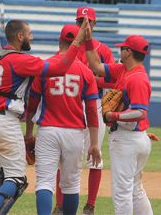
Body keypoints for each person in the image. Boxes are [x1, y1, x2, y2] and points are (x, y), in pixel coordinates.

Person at [0, 19, 88, 215]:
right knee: (16, 179)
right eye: (29, 33)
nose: (31, 37)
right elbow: (59, 69)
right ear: (20, 37)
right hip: (4, 121)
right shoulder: (22, 60)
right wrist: (77, 42)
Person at [24, 24, 101, 215]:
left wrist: (28, 132)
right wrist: (93, 142)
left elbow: (32, 104)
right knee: (71, 183)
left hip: (48, 130)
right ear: (80, 44)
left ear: (59, 41)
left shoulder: (46, 66)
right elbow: (92, 110)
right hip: (75, 133)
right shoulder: (86, 72)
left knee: (44, 181)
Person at [84, 25, 154, 215]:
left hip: (127, 139)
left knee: (122, 192)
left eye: (122, 48)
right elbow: (96, 66)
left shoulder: (137, 78)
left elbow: (140, 112)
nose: (119, 50)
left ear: (128, 52)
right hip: (135, 137)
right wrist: (88, 40)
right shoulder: (124, 70)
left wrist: (111, 115)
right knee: (135, 190)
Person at [53, 6, 116, 215]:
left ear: (95, 24)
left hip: (93, 103)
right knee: (64, 156)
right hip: (68, 103)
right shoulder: (68, 46)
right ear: (76, 22)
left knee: (94, 158)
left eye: (88, 21)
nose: (84, 25)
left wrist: (90, 78)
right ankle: (60, 205)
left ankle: (90, 205)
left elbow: (112, 80)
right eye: (81, 21)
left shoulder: (103, 50)